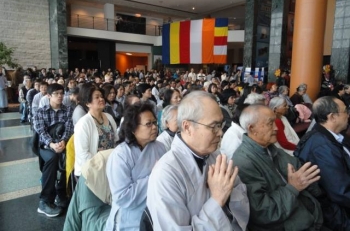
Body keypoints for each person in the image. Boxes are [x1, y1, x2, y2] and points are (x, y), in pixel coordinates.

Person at [147, 91, 249, 230]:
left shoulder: (215, 155)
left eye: (221, 124)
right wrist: (217, 199)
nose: (220, 132)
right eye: (214, 126)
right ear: (188, 127)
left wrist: (228, 194)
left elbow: (240, 192)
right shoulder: (166, 174)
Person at [232, 105, 324, 231]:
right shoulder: (243, 162)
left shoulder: (272, 149)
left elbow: (304, 174)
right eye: (270, 124)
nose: (276, 128)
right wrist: (293, 188)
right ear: (252, 128)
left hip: (310, 215)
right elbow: (264, 213)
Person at [105, 102, 166, 230]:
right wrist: (154, 176)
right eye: (148, 124)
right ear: (133, 129)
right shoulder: (120, 155)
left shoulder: (160, 147)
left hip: (155, 212)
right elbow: (123, 197)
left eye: (155, 123)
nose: (154, 127)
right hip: (129, 218)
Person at [294, 96, 350, 230]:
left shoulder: (334, 136)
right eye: (345, 111)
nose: (348, 115)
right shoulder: (321, 147)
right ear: (332, 117)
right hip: (336, 214)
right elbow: (340, 192)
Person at [33, 83, 74, 217]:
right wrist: (52, 144)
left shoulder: (68, 110)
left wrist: (63, 141)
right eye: (56, 94)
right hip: (46, 147)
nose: (60, 96)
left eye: (62, 93)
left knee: (70, 157)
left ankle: (62, 193)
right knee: (52, 158)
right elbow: (41, 131)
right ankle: (45, 201)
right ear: (49, 95)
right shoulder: (41, 112)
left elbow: (69, 129)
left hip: (63, 144)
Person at [74, 85, 118, 177]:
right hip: (92, 171)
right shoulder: (83, 124)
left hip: (111, 166)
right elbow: (83, 155)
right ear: (88, 103)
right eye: (97, 97)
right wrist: (103, 164)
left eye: (102, 96)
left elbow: (116, 141)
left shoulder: (109, 117)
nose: (101, 99)